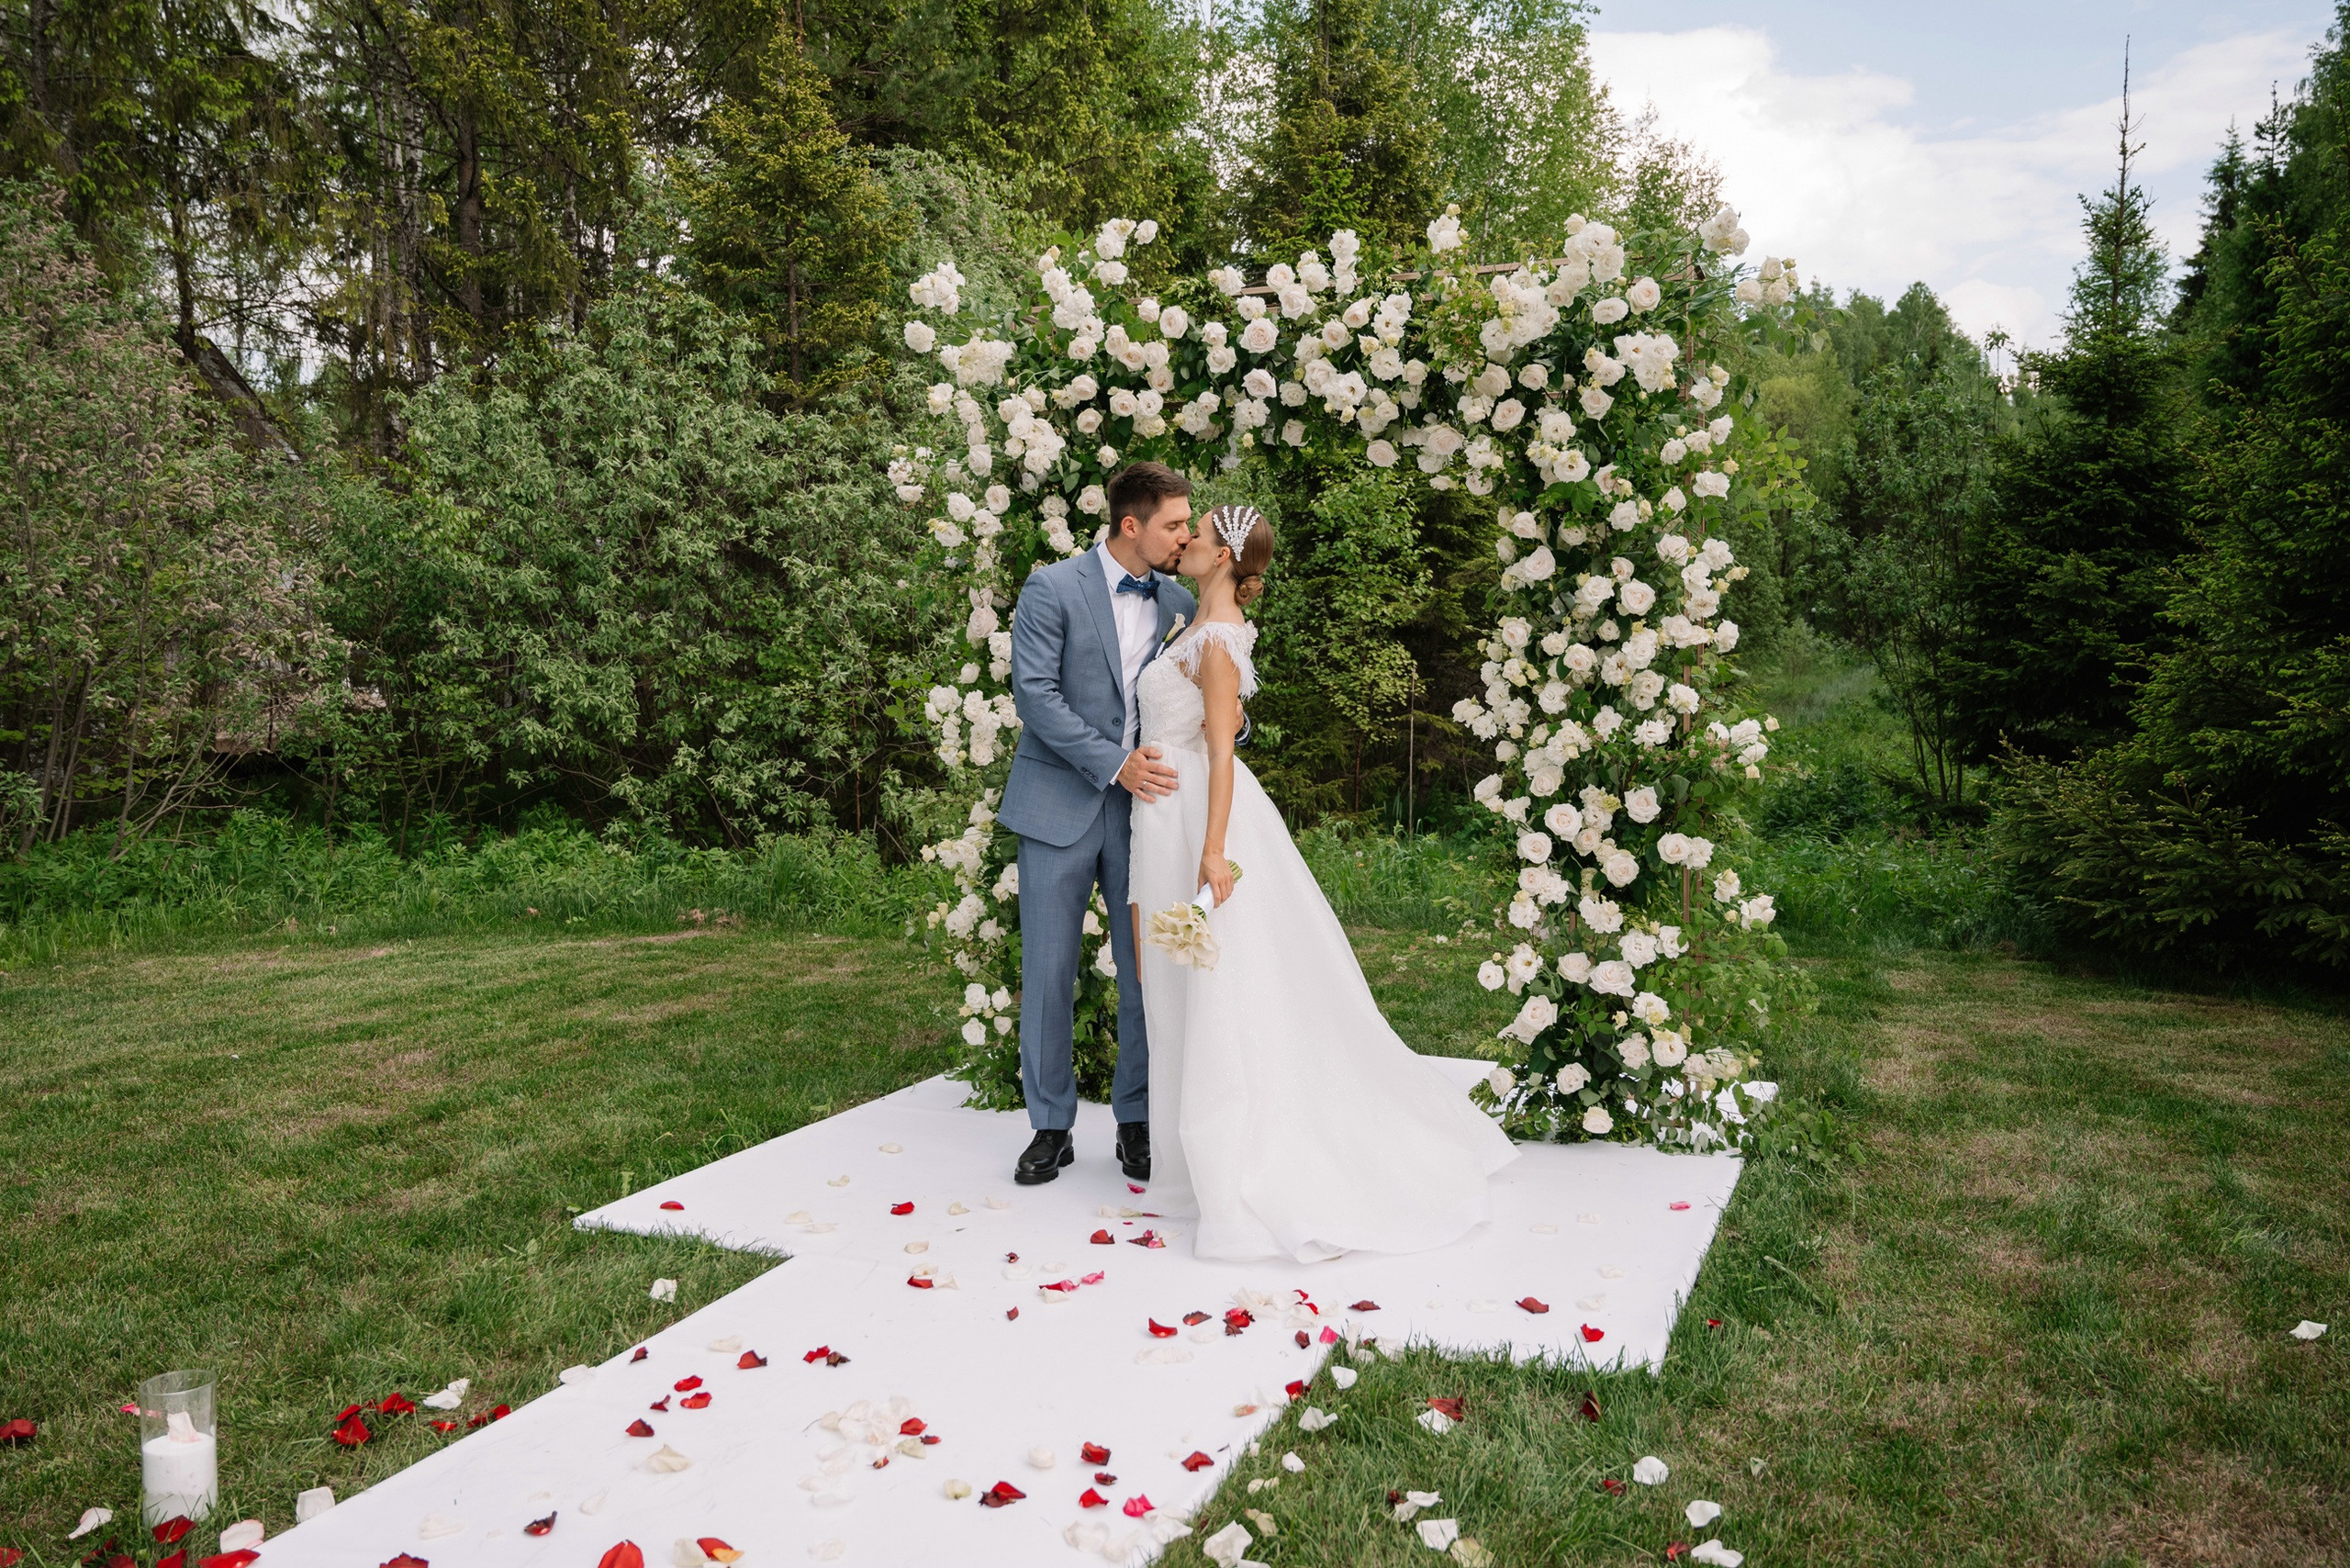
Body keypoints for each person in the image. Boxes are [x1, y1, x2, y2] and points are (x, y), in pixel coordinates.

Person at [1127, 503, 1519, 1261]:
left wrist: (1211, 856)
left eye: (1198, 536)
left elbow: (1222, 750)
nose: (1185, 542)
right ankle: (1189, 1165)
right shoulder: (1195, 626)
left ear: (1224, 559)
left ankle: (1234, 1160)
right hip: (1163, 814)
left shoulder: (1213, 643)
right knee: (1178, 986)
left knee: (1216, 988)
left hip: (1196, 822)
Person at [997, 462, 1199, 1185]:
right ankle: (1050, 1127)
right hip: (1059, 806)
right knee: (1049, 971)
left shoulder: (1181, 599)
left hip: (1150, 814)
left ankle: (1136, 1121)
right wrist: (1114, 764)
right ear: (1130, 525)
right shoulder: (1051, 587)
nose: (1186, 535)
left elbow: (1196, 692)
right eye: (1174, 524)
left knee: (1146, 974)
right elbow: (1037, 696)